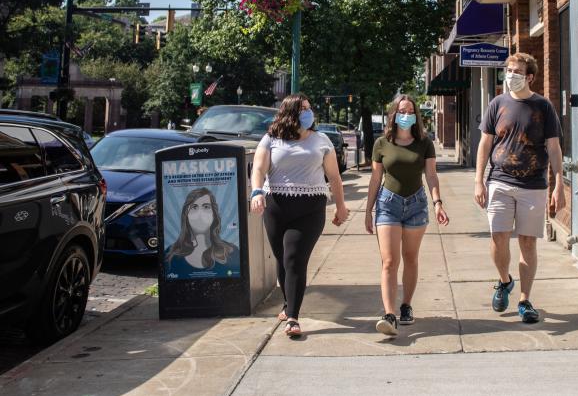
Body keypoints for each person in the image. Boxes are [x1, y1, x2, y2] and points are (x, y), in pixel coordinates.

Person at [474, 52, 565, 323]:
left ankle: (525, 300)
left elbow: (554, 147)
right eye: (508, 70)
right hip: (500, 180)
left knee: (527, 242)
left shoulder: (543, 107)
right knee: (498, 237)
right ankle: (504, 281)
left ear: (530, 77)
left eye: (516, 71)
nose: (510, 75)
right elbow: (485, 143)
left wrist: (558, 183)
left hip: (533, 185)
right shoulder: (497, 104)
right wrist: (479, 180)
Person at [250, 93, 349, 337]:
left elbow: (334, 177)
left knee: (294, 258)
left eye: (309, 108)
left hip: (310, 208)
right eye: (303, 109)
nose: (308, 113)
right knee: (282, 259)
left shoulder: (321, 140)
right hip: (277, 207)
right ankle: (288, 302)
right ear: (290, 113)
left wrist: (341, 205)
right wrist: (256, 192)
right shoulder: (271, 139)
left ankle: (293, 317)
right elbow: (259, 168)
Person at [365, 94, 449, 336]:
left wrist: (438, 203)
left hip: (416, 204)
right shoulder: (381, 143)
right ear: (394, 114)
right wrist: (368, 211)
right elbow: (375, 178)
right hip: (387, 204)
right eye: (401, 111)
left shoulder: (425, 143)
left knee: (410, 258)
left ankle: (406, 306)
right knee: (389, 261)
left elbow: (431, 175)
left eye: (410, 111)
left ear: (415, 116)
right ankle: (389, 315)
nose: (405, 115)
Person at [165, 187, 239, 278]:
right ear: (186, 215)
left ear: (214, 214)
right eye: (194, 207)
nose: (200, 214)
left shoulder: (231, 251)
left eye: (206, 207)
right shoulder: (171, 254)